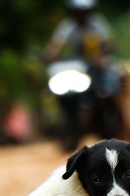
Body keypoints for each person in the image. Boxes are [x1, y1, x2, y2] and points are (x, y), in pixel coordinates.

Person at [44, 0, 123, 152]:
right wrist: (50, 55)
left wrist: (102, 58)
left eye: (84, 11)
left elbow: (105, 43)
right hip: (78, 67)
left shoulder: (98, 24)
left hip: (97, 67)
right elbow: (56, 45)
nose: (81, 15)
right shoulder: (68, 26)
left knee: (110, 88)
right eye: (78, 12)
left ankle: (118, 120)